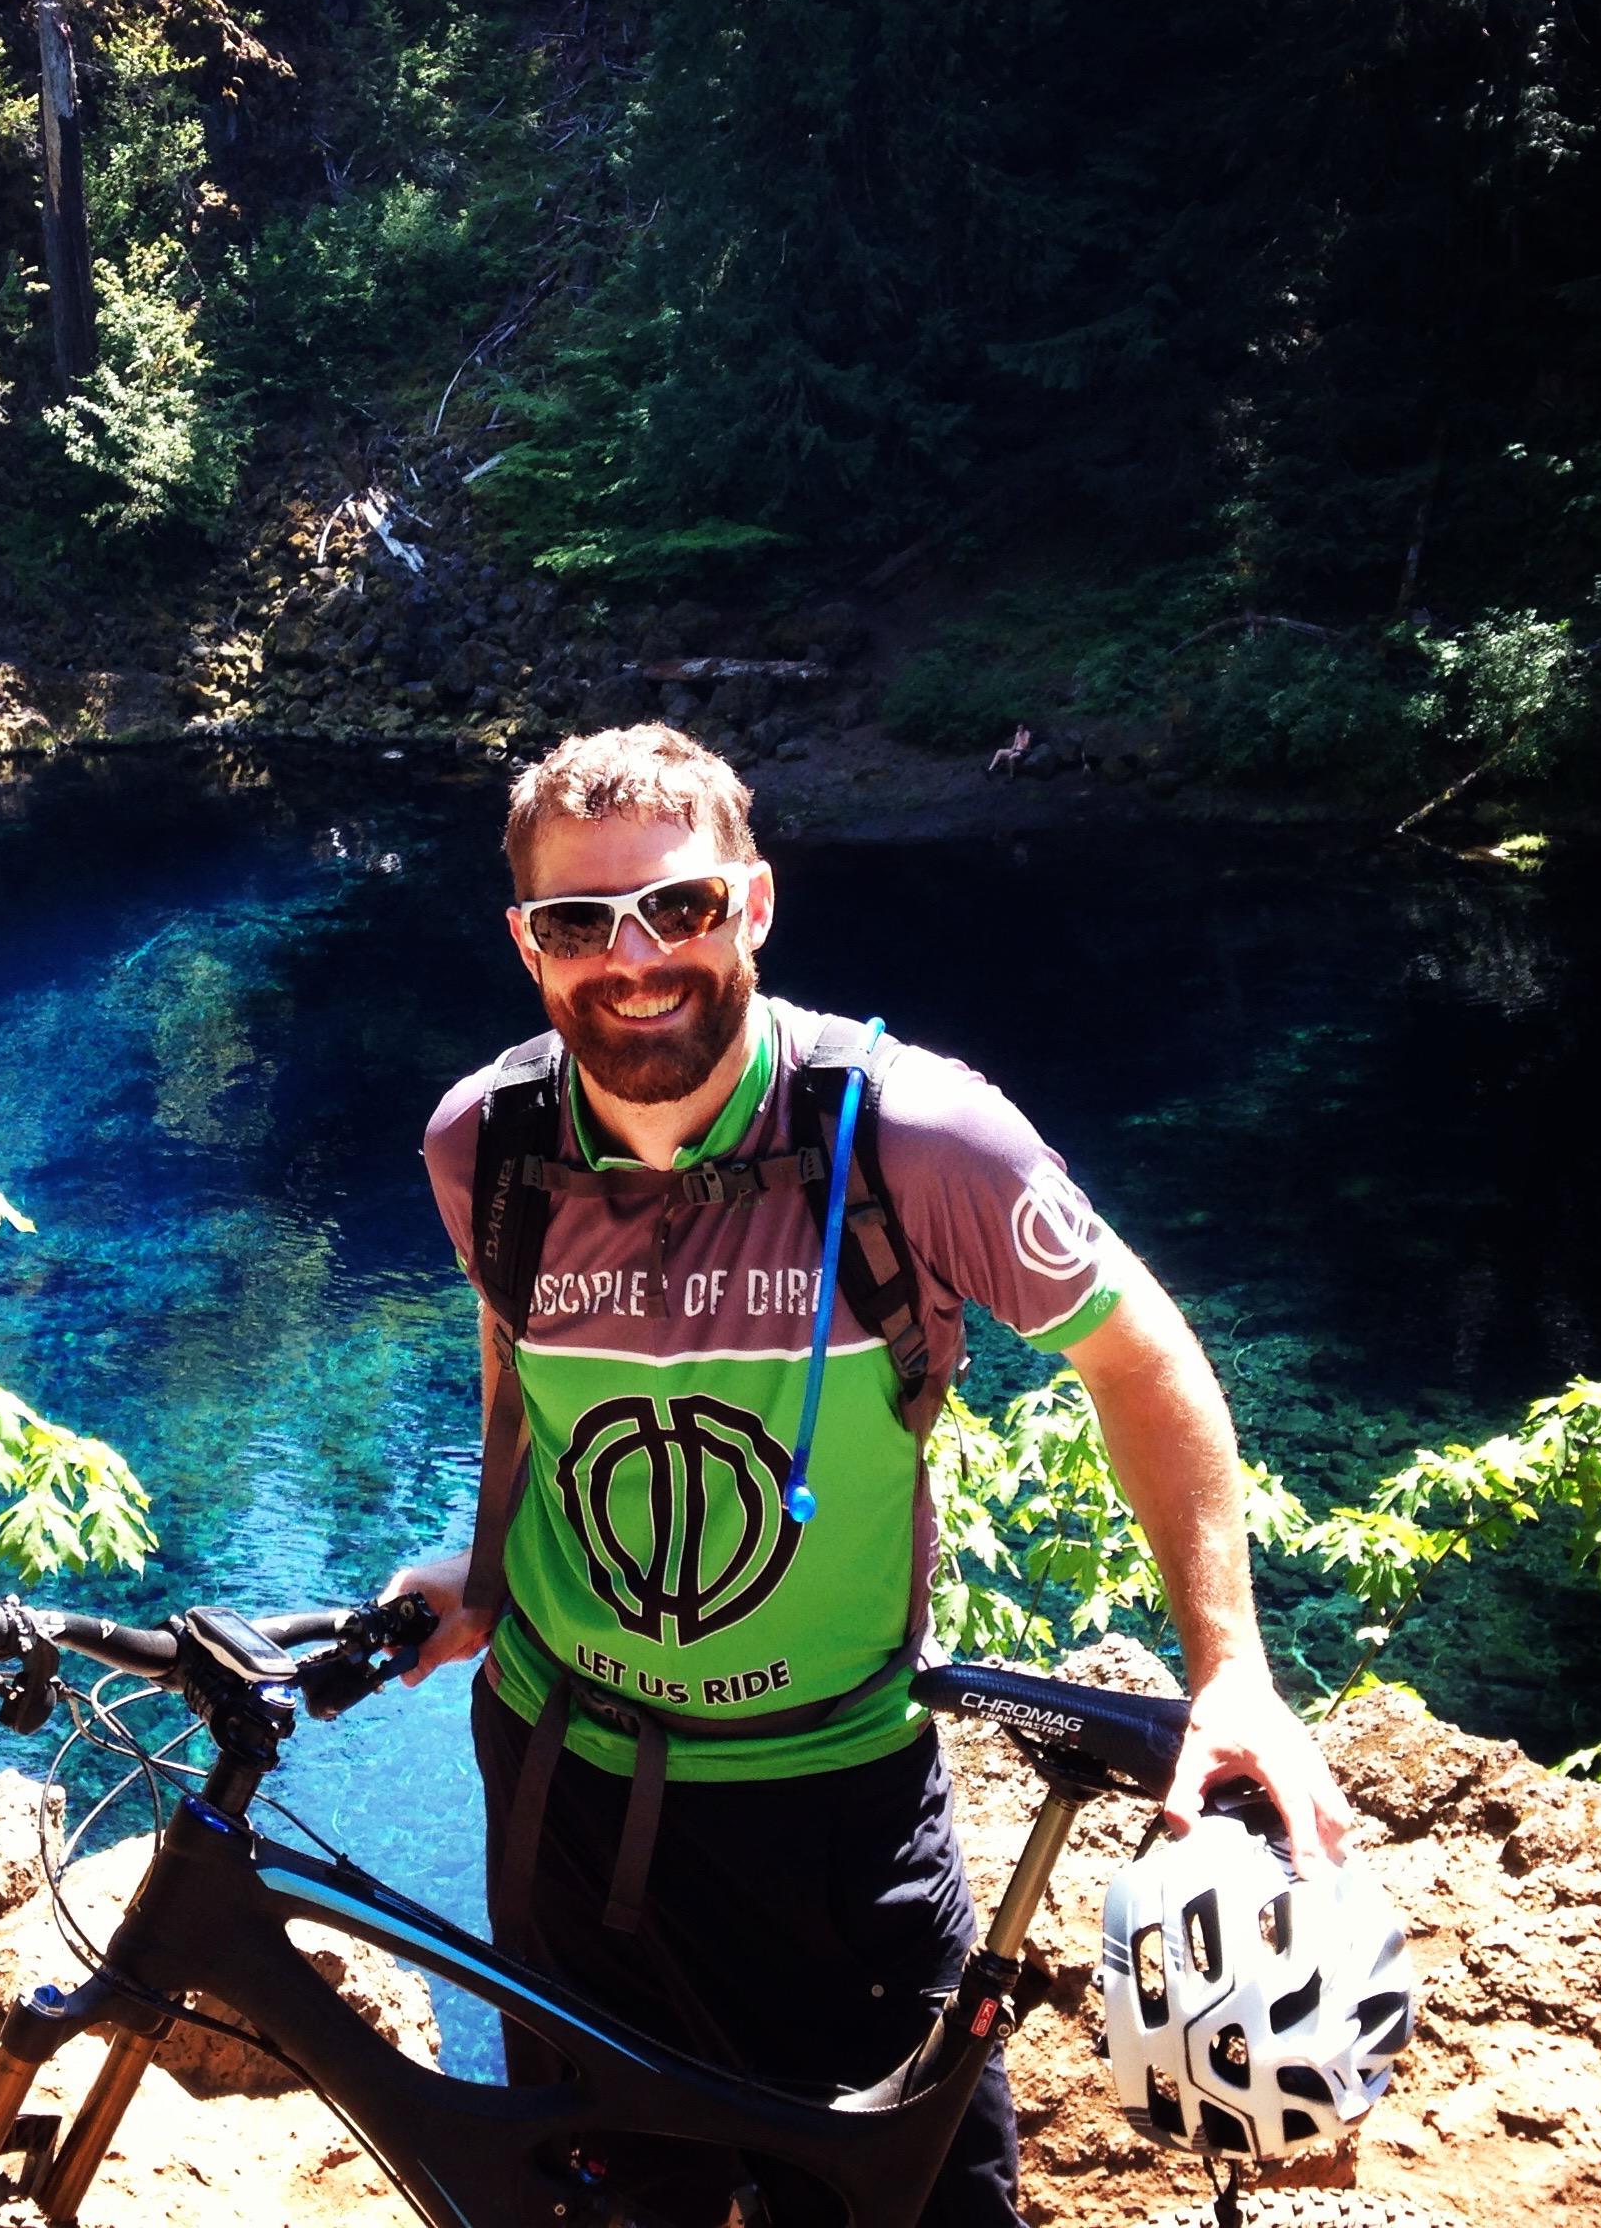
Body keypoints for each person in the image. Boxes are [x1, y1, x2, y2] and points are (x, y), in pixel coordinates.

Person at [391, 723, 1349, 2228]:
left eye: (680, 907)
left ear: (754, 906)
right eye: (582, 923)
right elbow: (520, 1361)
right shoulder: (488, 1146)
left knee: (909, 2209)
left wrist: (1229, 1673)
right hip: (556, 1792)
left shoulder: (914, 1136)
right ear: (529, 945)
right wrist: (493, 1563)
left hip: (834, 1803)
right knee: (607, 2201)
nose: (633, 958)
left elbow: (1143, 1359)